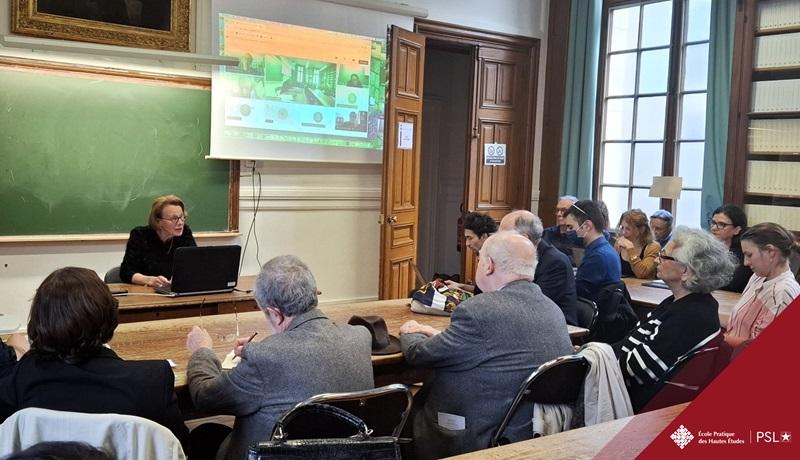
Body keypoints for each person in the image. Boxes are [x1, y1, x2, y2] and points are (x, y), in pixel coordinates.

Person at [399, 232, 573, 459]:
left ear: (489, 266)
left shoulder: (478, 311)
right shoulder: (552, 309)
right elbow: (497, 345)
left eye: (479, 259)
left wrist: (410, 331)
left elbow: (418, 355)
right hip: (532, 428)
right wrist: (439, 335)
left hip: (475, 433)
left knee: (399, 411)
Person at [185, 255, 374, 460]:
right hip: (345, 453)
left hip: (274, 455)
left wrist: (201, 351)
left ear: (276, 314)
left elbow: (205, 397)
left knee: (203, 435)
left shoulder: (263, 357)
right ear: (314, 294)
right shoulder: (360, 336)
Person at [0, 267, 189, 447]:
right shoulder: (153, 379)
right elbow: (176, 447)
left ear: (39, 319)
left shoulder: (20, 378)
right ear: (111, 316)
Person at [615, 227, 735, 412]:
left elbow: (635, 371)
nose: (656, 260)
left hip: (640, 408)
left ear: (686, 271)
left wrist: (597, 362)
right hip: (625, 389)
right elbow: (629, 343)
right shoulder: (678, 302)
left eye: (664, 256)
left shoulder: (691, 316)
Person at [499, 210, 579, 325]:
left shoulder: (555, 263)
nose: (499, 241)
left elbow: (533, 305)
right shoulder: (515, 257)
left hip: (552, 328)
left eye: (504, 236)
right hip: (524, 321)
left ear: (524, 238)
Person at [725, 223, 800, 346]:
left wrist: (715, 339)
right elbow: (739, 322)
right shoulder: (758, 277)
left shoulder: (782, 293)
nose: (745, 262)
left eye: (749, 255)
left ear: (771, 252)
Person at [120, 195, 196, 287]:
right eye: (174, 219)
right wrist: (148, 280)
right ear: (158, 222)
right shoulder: (140, 235)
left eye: (182, 217)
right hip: (147, 294)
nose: (180, 223)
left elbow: (195, 264)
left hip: (175, 292)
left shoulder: (185, 233)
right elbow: (126, 272)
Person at [563, 200, 621, 300]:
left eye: (570, 227)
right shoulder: (606, 249)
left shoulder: (597, 257)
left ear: (587, 226)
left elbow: (576, 293)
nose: (567, 231)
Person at [445, 211, 497, 294]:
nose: (467, 244)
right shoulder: (485, 256)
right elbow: (479, 290)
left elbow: (487, 296)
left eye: (470, 238)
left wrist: (459, 291)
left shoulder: (495, 260)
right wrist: (459, 286)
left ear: (484, 236)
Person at [709, 204, 752, 292]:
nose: (713, 228)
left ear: (737, 230)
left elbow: (733, 285)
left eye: (721, 224)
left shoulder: (744, 255)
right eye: (713, 223)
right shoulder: (705, 250)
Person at [614, 209, 660, 279]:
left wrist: (630, 249)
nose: (623, 232)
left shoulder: (653, 247)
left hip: (642, 288)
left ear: (641, 230)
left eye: (628, 229)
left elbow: (641, 274)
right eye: (622, 228)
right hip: (622, 286)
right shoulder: (619, 242)